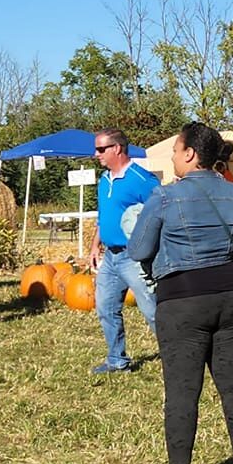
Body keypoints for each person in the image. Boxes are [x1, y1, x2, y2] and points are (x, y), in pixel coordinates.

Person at [127, 122, 233, 464]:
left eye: (175, 150)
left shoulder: (165, 197)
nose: (172, 157)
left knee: (183, 388)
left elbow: (139, 250)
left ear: (190, 153)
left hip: (183, 298)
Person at [90, 127, 160, 373]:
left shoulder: (143, 180)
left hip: (135, 258)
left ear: (117, 148)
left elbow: (160, 215)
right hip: (110, 257)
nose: (96, 154)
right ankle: (116, 360)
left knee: (152, 309)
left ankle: (180, 355)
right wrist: (94, 246)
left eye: (100, 149)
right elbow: (103, 217)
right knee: (106, 307)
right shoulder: (104, 180)